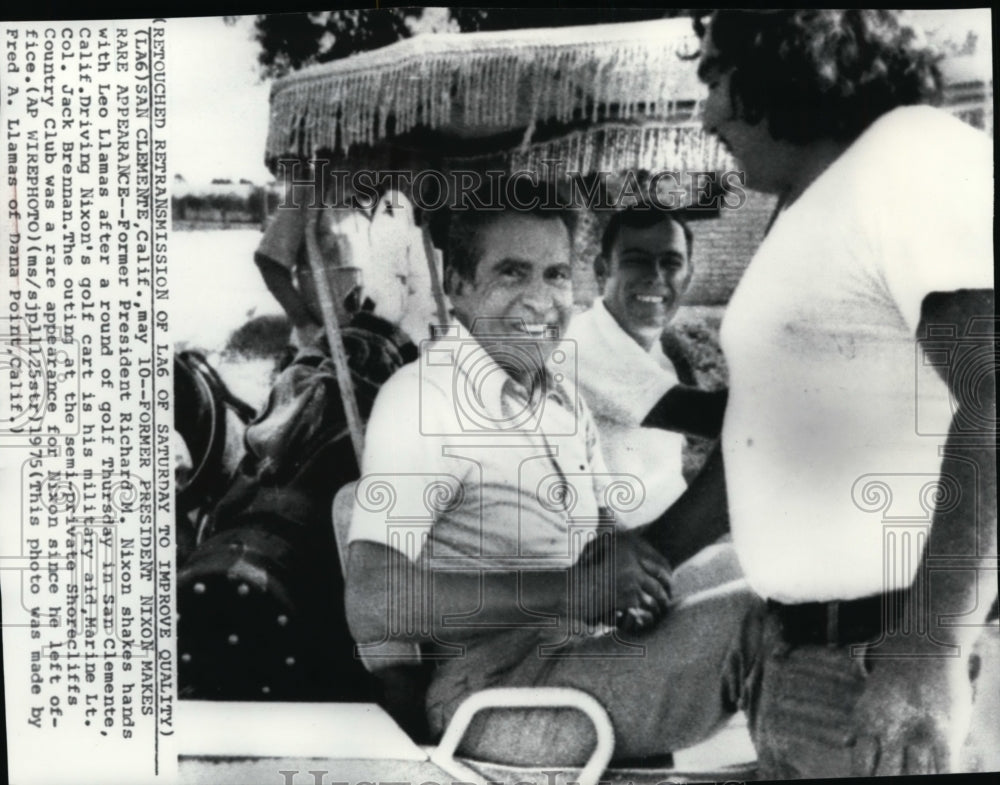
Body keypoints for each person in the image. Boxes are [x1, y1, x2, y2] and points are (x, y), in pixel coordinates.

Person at [345, 182, 765, 766]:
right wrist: (572, 592)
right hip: (493, 696)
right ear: (458, 287)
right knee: (762, 618)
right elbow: (374, 601)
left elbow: (599, 541)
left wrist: (625, 573)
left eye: (556, 275)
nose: (541, 301)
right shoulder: (424, 400)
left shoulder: (557, 400)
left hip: (576, 652)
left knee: (778, 572)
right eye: (513, 274)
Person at [686, 9, 996, 778]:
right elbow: (764, 432)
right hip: (801, 659)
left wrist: (931, 649)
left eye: (718, 76)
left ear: (791, 63)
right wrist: (651, 553)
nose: (708, 112)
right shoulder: (814, 199)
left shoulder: (909, 159)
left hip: (883, 662)